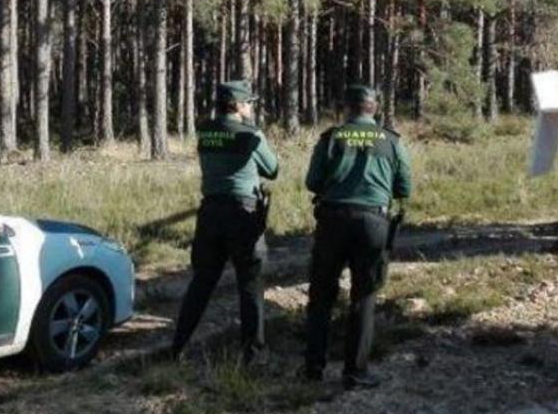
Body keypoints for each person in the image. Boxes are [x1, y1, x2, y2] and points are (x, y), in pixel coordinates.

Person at [303, 85, 413, 389]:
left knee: (321, 295)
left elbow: (312, 181)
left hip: (333, 221)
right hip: (373, 222)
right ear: (374, 108)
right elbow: (404, 187)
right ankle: (355, 371)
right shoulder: (391, 141)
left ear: (347, 108)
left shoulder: (332, 138)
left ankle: (313, 368)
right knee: (364, 296)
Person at [171, 80, 279, 364]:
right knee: (250, 284)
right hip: (243, 214)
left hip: (209, 213)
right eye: (249, 103)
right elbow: (273, 169)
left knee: (202, 283)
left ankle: (178, 346)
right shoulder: (250, 134)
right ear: (238, 105)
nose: (251, 107)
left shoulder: (205, 131)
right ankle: (253, 355)